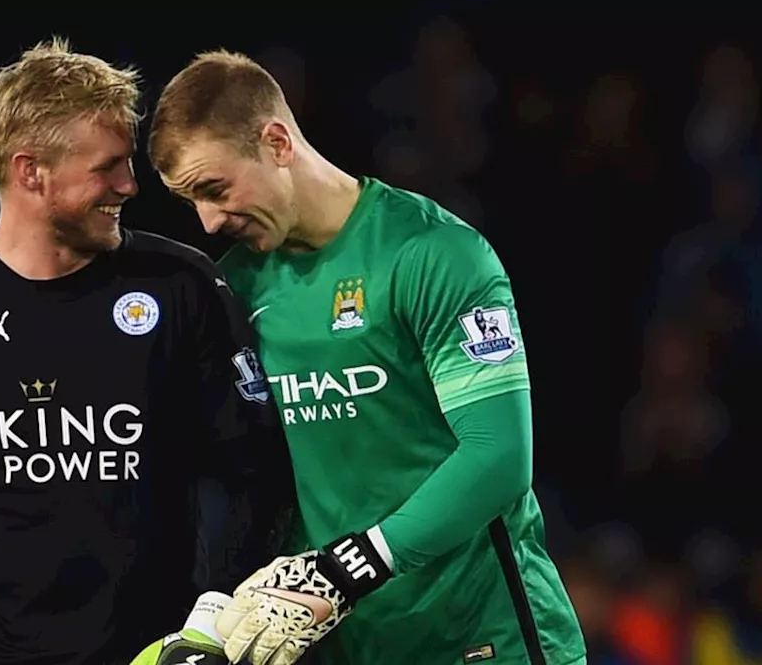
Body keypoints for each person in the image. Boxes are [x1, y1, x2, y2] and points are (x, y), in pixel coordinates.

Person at [0, 39, 294, 665]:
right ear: (31, 170)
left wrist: (207, 623)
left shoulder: (183, 286)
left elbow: (252, 470)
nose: (130, 185)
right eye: (107, 167)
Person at [147, 51, 587, 665]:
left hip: (485, 636)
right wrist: (210, 618)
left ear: (276, 142)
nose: (210, 221)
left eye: (215, 190)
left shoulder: (434, 254)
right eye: (190, 201)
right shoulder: (233, 291)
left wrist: (348, 569)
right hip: (355, 646)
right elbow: (245, 476)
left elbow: (499, 455)